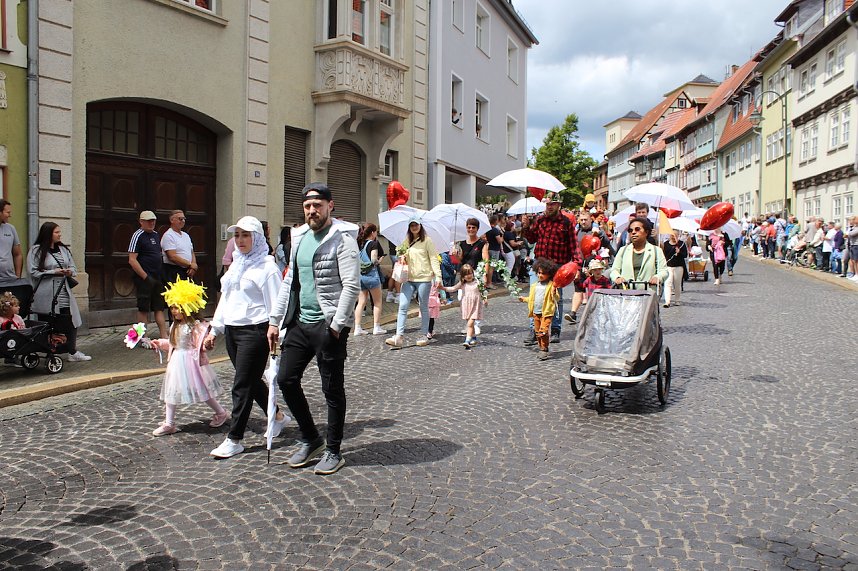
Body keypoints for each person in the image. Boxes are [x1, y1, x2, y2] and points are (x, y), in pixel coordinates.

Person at [266, 183, 360, 475]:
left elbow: (351, 286)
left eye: (317, 205)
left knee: (331, 389)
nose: (312, 211)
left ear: (330, 206)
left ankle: (334, 450)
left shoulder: (342, 240)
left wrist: (335, 325)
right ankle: (311, 439)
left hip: (327, 325)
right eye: (307, 206)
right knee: (286, 379)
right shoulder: (299, 238)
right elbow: (289, 281)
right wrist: (274, 320)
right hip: (299, 323)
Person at [205, 215, 286, 459]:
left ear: (257, 238)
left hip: (255, 331)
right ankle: (279, 417)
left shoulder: (268, 268)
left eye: (246, 235)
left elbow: (277, 306)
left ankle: (235, 438)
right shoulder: (236, 265)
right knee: (251, 381)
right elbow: (227, 299)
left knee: (241, 384)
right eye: (237, 235)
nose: (240, 240)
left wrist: (277, 335)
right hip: (232, 330)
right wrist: (215, 329)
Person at [146, 278, 228, 437]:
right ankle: (169, 423)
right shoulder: (174, 325)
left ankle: (221, 412)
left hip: (190, 363)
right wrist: (159, 343)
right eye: (172, 308)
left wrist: (207, 344)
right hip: (176, 362)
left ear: (187, 307)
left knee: (202, 391)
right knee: (171, 391)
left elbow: (200, 345)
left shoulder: (195, 326)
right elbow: (173, 344)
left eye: (177, 308)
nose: (174, 311)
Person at [521, 191, 582, 344]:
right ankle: (534, 330)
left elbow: (574, 246)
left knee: (556, 298)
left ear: (558, 205)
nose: (549, 207)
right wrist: (526, 227)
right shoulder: (540, 220)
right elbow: (531, 239)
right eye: (547, 204)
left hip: (557, 266)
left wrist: (577, 266)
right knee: (535, 297)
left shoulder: (566, 223)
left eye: (552, 204)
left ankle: (555, 329)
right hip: (539, 264)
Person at [28, 222, 91, 361]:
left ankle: (72, 351)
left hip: (64, 291)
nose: (59, 234)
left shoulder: (63, 249)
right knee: (49, 322)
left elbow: (73, 268)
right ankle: (49, 350)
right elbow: (33, 272)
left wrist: (69, 272)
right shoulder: (36, 250)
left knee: (71, 319)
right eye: (56, 232)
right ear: (48, 234)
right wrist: (53, 272)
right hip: (47, 293)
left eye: (59, 232)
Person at [385, 217, 442, 348]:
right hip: (409, 278)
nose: (414, 227)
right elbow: (401, 253)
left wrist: (438, 277)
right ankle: (398, 336)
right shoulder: (406, 241)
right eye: (411, 226)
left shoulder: (427, 241)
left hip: (424, 279)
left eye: (416, 225)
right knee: (403, 306)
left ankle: (424, 334)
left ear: (420, 226)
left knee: (423, 307)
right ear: (409, 228)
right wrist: (402, 256)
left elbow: (434, 258)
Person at [128, 210, 168, 339]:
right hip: (144, 278)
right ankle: (140, 337)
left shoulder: (156, 235)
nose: (151, 223)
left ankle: (163, 335)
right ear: (141, 221)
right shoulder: (138, 235)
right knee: (143, 308)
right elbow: (132, 259)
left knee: (159, 307)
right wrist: (145, 276)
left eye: (153, 221)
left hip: (157, 276)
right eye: (148, 221)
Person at [518, 258, 559, 361]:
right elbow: (532, 299)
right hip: (536, 312)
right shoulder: (534, 286)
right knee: (537, 332)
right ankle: (541, 347)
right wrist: (524, 299)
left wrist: (554, 293)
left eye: (543, 273)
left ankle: (544, 348)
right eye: (539, 273)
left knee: (543, 331)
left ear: (549, 274)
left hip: (547, 313)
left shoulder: (551, 286)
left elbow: (557, 298)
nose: (540, 275)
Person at [610, 217, 668, 289]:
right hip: (626, 294)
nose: (633, 232)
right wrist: (617, 277)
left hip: (647, 294)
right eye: (630, 230)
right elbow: (614, 270)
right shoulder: (623, 250)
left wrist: (657, 277)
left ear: (646, 232)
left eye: (637, 229)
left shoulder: (656, 250)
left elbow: (664, 271)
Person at [353, 222, 387, 336]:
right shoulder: (373, 243)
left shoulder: (359, 243)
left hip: (360, 276)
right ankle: (376, 327)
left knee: (361, 302)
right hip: (371, 276)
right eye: (376, 231)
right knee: (377, 302)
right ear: (372, 232)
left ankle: (357, 328)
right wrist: (379, 260)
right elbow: (373, 260)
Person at [441, 264, 485, 348]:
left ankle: (467, 340)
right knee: (470, 323)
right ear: (463, 276)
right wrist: (443, 288)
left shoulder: (477, 282)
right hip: (466, 305)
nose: (468, 276)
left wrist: (485, 298)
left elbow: (483, 291)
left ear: (473, 273)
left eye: (470, 273)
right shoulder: (462, 283)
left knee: (470, 323)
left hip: (475, 306)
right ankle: (474, 337)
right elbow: (453, 288)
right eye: (466, 274)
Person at [160, 210, 198, 284]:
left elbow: (191, 252)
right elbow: (172, 257)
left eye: (184, 219)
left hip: (187, 271)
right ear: (172, 220)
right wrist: (190, 265)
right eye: (180, 219)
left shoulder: (186, 235)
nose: (183, 221)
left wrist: (193, 265)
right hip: (174, 272)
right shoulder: (168, 235)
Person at [662, 230, 687, 307]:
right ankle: (667, 301)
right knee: (667, 283)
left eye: (675, 235)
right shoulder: (665, 244)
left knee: (677, 284)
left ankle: (677, 300)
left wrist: (679, 252)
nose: (673, 237)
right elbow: (663, 254)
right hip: (668, 266)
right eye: (672, 235)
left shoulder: (681, 244)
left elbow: (685, 255)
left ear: (678, 236)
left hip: (678, 267)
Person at [0, 200, 23, 282]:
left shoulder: (10, 228)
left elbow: (17, 254)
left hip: (9, 278)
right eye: (8, 212)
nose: (10, 215)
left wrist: (17, 276)